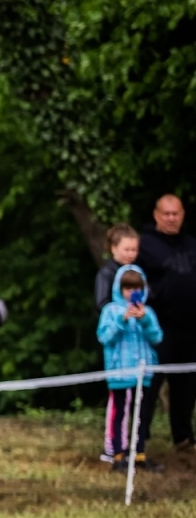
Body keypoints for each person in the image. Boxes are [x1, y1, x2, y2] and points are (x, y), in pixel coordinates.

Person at [139, 195, 195, 452]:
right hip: (159, 327)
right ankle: (138, 439)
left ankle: (183, 438)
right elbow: (133, 280)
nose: (172, 218)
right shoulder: (145, 244)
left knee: (186, 385)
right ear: (156, 215)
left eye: (176, 213)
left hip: (190, 326)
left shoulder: (191, 244)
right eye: (166, 213)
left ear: (183, 214)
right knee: (151, 382)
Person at [97, 264, 164, 472]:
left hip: (143, 373)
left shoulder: (148, 312)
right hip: (119, 372)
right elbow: (104, 337)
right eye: (127, 289)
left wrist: (144, 320)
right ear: (119, 288)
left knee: (142, 413)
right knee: (119, 413)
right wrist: (122, 320)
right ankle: (118, 456)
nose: (131, 293)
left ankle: (139, 453)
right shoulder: (110, 311)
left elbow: (157, 338)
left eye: (136, 289)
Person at [94, 224, 141, 462]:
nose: (131, 254)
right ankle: (112, 449)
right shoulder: (106, 274)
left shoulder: (138, 273)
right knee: (119, 402)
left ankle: (133, 448)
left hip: (137, 351)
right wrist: (121, 317)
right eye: (126, 249)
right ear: (114, 249)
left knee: (136, 401)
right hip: (116, 351)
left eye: (134, 249)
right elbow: (102, 306)